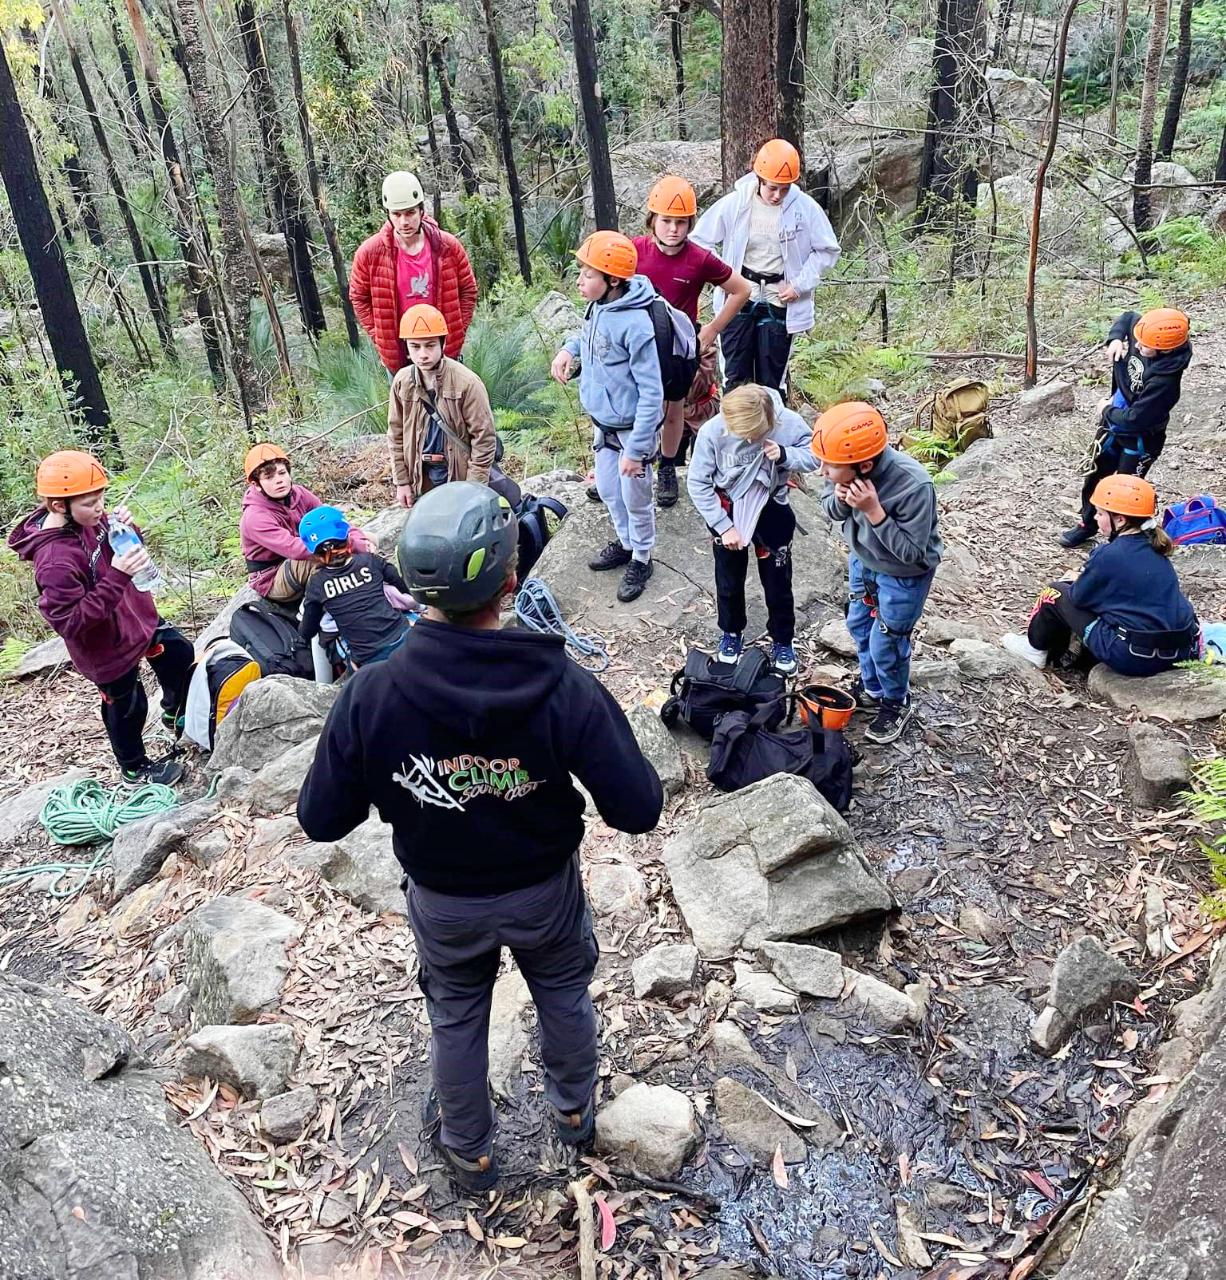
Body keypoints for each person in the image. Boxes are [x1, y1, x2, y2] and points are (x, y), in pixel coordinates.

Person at [297, 482, 663, 1192]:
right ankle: (574, 1116)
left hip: (443, 898)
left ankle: (470, 1151)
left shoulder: (372, 693)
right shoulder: (559, 681)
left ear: (411, 581)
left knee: (457, 1013)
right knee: (561, 990)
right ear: (511, 578)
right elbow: (639, 807)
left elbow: (321, 819)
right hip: (542, 893)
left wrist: (397, 777)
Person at [8, 451, 188, 785]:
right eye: (91, 503)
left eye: (102, 498)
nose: (100, 508)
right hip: (106, 649)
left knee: (178, 653)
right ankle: (134, 767)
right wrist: (118, 577)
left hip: (136, 620)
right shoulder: (54, 561)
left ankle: (175, 711)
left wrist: (127, 528)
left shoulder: (89, 519)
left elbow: (121, 552)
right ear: (60, 506)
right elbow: (70, 623)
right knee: (128, 705)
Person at [814, 402, 942, 745]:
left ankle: (896, 700)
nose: (823, 471)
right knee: (858, 624)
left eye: (830, 466)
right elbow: (829, 507)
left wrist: (874, 512)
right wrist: (841, 501)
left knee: (887, 641)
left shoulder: (913, 485)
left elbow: (913, 554)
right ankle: (872, 686)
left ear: (865, 465)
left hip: (903, 575)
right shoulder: (845, 471)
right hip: (863, 560)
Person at [550, 232, 664, 604]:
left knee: (636, 498)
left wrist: (637, 449)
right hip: (604, 426)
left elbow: (652, 392)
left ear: (613, 280)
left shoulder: (636, 325)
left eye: (587, 274)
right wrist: (568, 349)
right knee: (612, 493)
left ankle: (643, 558)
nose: (580, 281)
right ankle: (627, 544)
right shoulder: (598, 307)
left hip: (632, 432)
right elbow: (588, 337)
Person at [633, 175, 751, 508]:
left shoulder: (699, 258)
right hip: (639, 345)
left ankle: (667, 467)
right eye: (666, 221)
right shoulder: (633, 251)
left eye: (681, 222)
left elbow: (741, 289)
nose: (673, 229)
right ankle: (626, 467)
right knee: (635, 409)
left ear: (690, 223)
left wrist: (711, 330)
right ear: (652, 220)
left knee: (673, 409)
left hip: (678, 346)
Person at [686, 384, 819, 674]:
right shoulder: (713, 430)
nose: (747, 439)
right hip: (729, 509)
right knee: (729, 578)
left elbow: (815, 455)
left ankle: (783, 639)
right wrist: (723, 527)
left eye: (753, 434)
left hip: (771, 506)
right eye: (741, 434)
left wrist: (784, 455)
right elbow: (697, 482)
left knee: (778, 581)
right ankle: (731, 633)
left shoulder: (788, 422)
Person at [1006, 476, 1200, 675]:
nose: (1095, 518)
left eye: (1099, 513)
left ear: (1120, 519)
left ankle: (1035, 649)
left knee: (1056, 592)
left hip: (1136, 657)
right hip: (1183, 651)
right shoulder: (1155, 547)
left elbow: (1077, 598)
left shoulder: (1109, 554)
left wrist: (1075, 580)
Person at [691, 138, 840, 393]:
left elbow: (827, 250)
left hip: (779, 299)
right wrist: (723, 276)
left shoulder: (804, 209)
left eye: (784, 188)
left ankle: (773, 430)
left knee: (771, 382)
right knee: (735, 377)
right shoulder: (736, 204)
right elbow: (699, 240)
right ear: (759, 177)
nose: (777, 195)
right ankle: (734, 429)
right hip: (739, 297)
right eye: (772, 188)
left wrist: (799, 284)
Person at [1060, 307, 1192, 548]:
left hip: (1139, 439)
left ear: (1166, 349)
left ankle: (1119, 543)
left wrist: (1105, 410)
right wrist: (1115, 340)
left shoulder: (1166, 382)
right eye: (1136, 340)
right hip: (1113, 426)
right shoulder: (1147, 331)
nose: (1138, 347)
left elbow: (1135, 419)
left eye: (1144, 346)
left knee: (1124, 492)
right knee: (1096, 476)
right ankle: (1088, 523)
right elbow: (1128, 317)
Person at [389, 303, 520, 511]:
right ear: (407, 347)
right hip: (422, 476)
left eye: (430, 345)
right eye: (415, 346)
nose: (423, 354)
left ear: (442, 343)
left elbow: (484, 439)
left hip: (458, 474)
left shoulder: (466, 382)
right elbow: (396, 434)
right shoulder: (403, 382)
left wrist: (472, 490)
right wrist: (402, 481)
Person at [350, 171, 478, 375]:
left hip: (444, 352)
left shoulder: (447, 247)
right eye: (397, 214)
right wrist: (381, 336)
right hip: (399, 356)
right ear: (388, 215)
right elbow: (358, 297)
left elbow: (468, 290)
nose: (404, 222)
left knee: (452, 405)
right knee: (407, 406)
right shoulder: (370, 253)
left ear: (421, 211)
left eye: (410, 213)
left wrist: (456, 332)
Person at [239, 443, 371, 606]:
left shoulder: (298, 494)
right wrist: (350, 546)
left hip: (302, 553)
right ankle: (347, 607)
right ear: (256, 485)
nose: (279, 481)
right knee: (318, 560)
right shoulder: (255, 517)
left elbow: (331, 520)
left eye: (282, 473)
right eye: (269, 477)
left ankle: (370, 591)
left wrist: (359, 539)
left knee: (369, 539)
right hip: (272, 576)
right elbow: (295, 549)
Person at [297, 506, 419, 668]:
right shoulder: (371, 561)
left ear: (313, 553)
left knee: (327, 639)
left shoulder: (317, 584)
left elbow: (307, 631)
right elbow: (406, 588)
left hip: (370, 658)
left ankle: (323, 686)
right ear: (348, 539)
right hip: (404, 638)